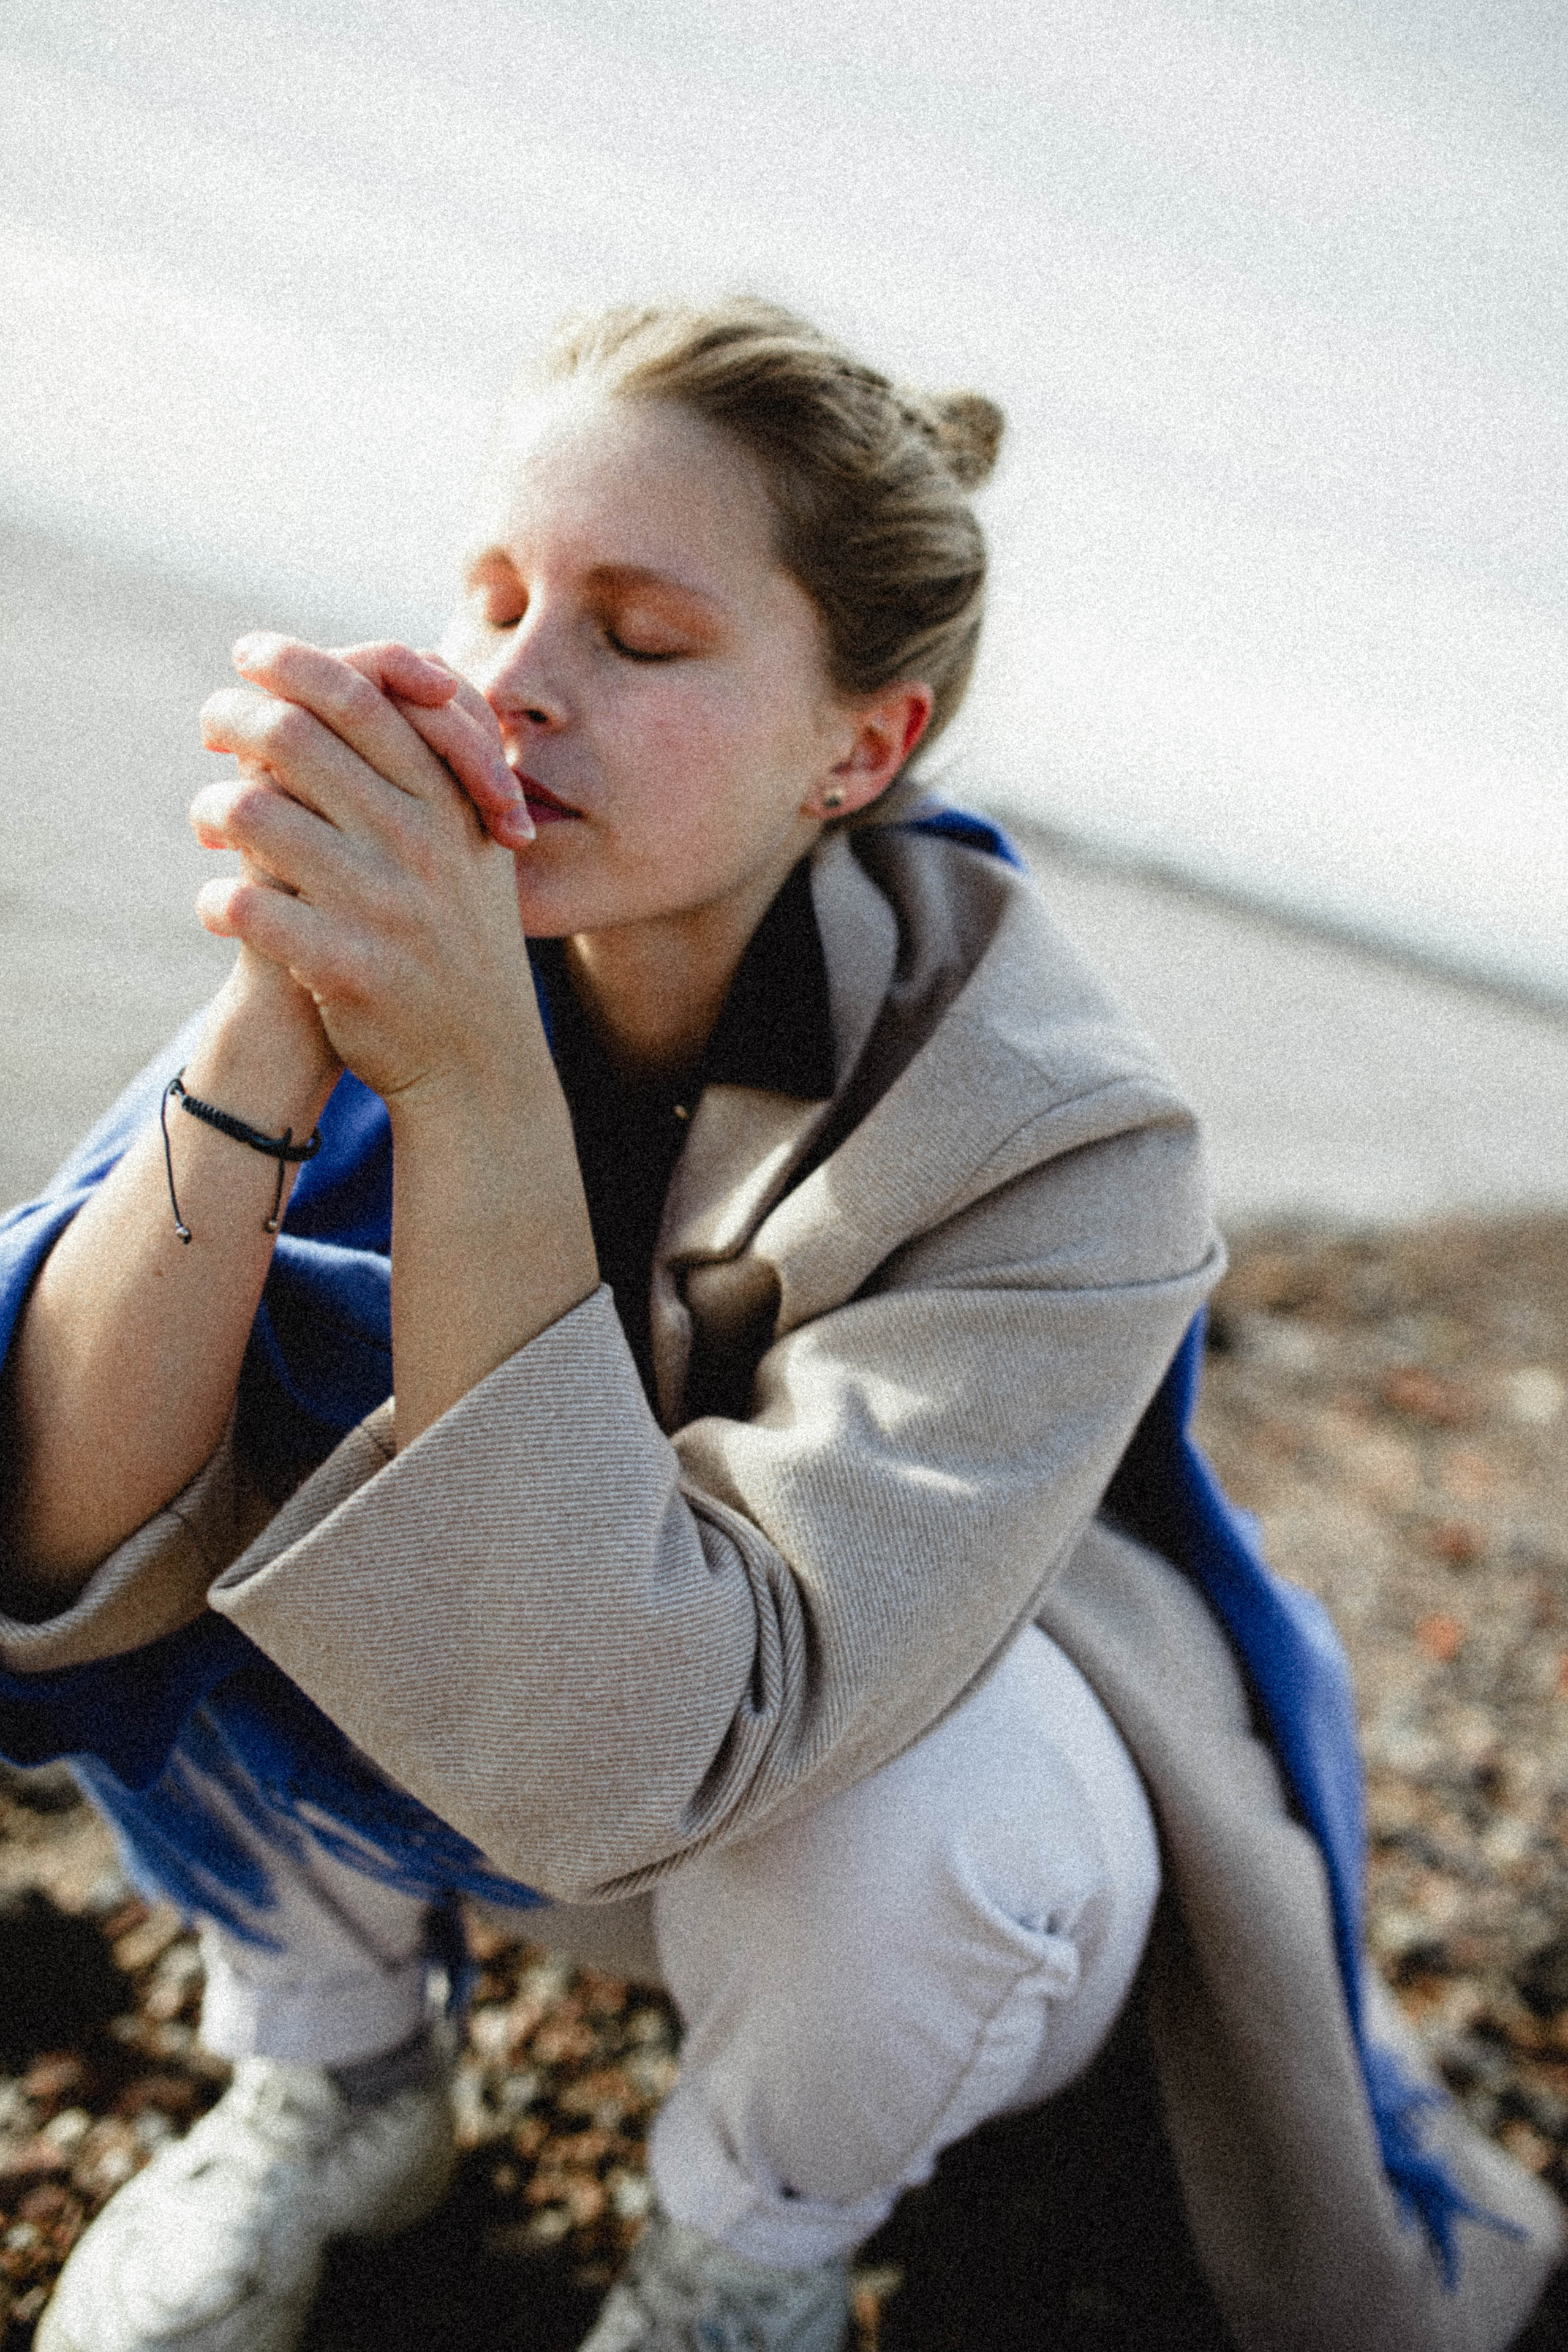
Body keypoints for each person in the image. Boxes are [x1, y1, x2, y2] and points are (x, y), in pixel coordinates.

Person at [0, 300, 1558, 2352]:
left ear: (861, 750)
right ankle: (335, 2067)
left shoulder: (1065, 1135)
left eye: (640, 639)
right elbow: (48, 1535)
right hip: (504, 1774)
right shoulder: (442, 935)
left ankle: (751, 2242)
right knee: (176, 1362)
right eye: (493, 601)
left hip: (874, 1847)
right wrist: (273, 1022)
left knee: (913, 1828)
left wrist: (470, 1083)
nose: (511, 689)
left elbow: (644, 1752)